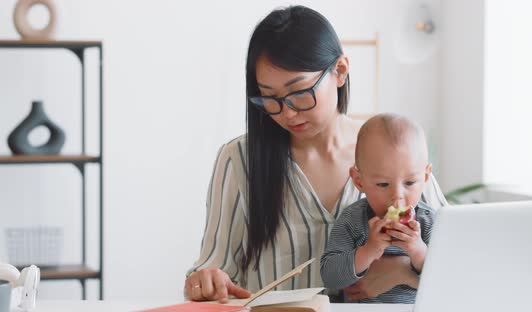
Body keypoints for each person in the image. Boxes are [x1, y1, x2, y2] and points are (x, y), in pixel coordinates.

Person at [184, 5, 448, 303]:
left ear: (340, 71)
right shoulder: (238, 160)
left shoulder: (396, 151)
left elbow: (458, 260)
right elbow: (211, 267)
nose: (287, 112)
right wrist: (204, 280)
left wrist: (403, 272)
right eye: (269, 98)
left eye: (299, 92)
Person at [320, 113, 436, 303]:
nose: (398, 195)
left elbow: (448, 278)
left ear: (425, 177)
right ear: (359, 181)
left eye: (410, 182)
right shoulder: (352, 220)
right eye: (383, 184)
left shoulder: (430, 221)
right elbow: (330, 277)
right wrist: (368, 251)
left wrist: (418, 250)